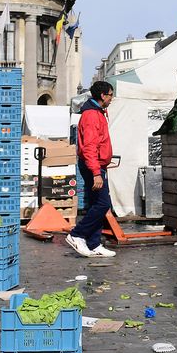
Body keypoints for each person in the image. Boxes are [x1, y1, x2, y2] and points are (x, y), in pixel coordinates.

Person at [65, 81, 116, 258]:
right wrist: (96, 172)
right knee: (103, 204)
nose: (112, 98)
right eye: (110, 95)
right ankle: (77, 234)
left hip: (97, 165)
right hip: (93, 166)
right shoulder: (92, 115)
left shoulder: (97, 113)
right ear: (102, 96)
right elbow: (89, 146)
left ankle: (94, 243)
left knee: (97, 204)